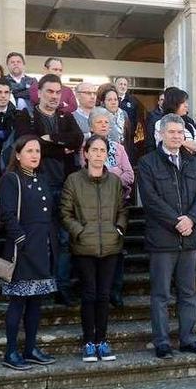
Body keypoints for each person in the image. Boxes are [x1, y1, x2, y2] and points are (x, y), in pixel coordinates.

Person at [138, 113, 196, 358]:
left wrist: (192, 219)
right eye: (171, 132)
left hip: (189, 237)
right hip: (163, 239)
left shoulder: (192, 162)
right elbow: (150, 199)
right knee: (161, 295)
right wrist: (176, 221)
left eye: (180, 133)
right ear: (160, 135)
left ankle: (188, 339)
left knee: (188, 293)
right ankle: (162, 342)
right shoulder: (148, 162)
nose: (176, 137)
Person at [15, 74, 84, 305]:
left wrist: (51, 139)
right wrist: (58, 147)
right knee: (39, 239)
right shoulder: (27, 115)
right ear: (39, 92)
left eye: (58, 92)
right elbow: (28, 145)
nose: (54, 96)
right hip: (36, 184)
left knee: (65, 239)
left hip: (64, 185)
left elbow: (76, 140)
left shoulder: (66, 117)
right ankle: (42, 286)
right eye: (50, 91)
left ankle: (61, 286)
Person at [61, 134, 128, 362]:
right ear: (86, 153)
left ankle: (103, 340)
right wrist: (80, 231)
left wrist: (118, 228)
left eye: (102, 150)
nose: (99, 154)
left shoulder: (115, 181)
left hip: (111, 247)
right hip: (84, 247)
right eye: (95, 150)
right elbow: (65, 213)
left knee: (104, 295)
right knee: (89, 294)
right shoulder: (73, 180)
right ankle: (89, 341)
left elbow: (122, 210)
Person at [0, 135, 58, 370]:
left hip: (42, 247)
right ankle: (11, 352)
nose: (35, 155)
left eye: (38, 151)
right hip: (22, 249)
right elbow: (7, 215)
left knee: (36, 303)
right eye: (30, 151)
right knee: (18, 302)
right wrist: (21, 239)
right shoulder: (11, 179)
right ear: (18, 154)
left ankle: (30, 348)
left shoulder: (42, 179)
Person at [85, 107, 134, 309]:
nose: (105, 125)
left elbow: (130, 176)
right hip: (93, 206)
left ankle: (116, 290)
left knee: (117, 250)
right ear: (91, 126)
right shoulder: (85, 147)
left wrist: (108, 173)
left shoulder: (118, 148)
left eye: (107, 122)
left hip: (118, 204)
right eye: (100, 122)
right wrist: (116, 172)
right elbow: (89, 173)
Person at [154, 87, 196, 158]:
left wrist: (183, 143)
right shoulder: (161, 123)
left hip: (189, 164)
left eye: (186, 102)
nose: (186, 105)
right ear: (174, 104)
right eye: (183, 103)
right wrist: (192, 145)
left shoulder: (189, 124)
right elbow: (167, 145)